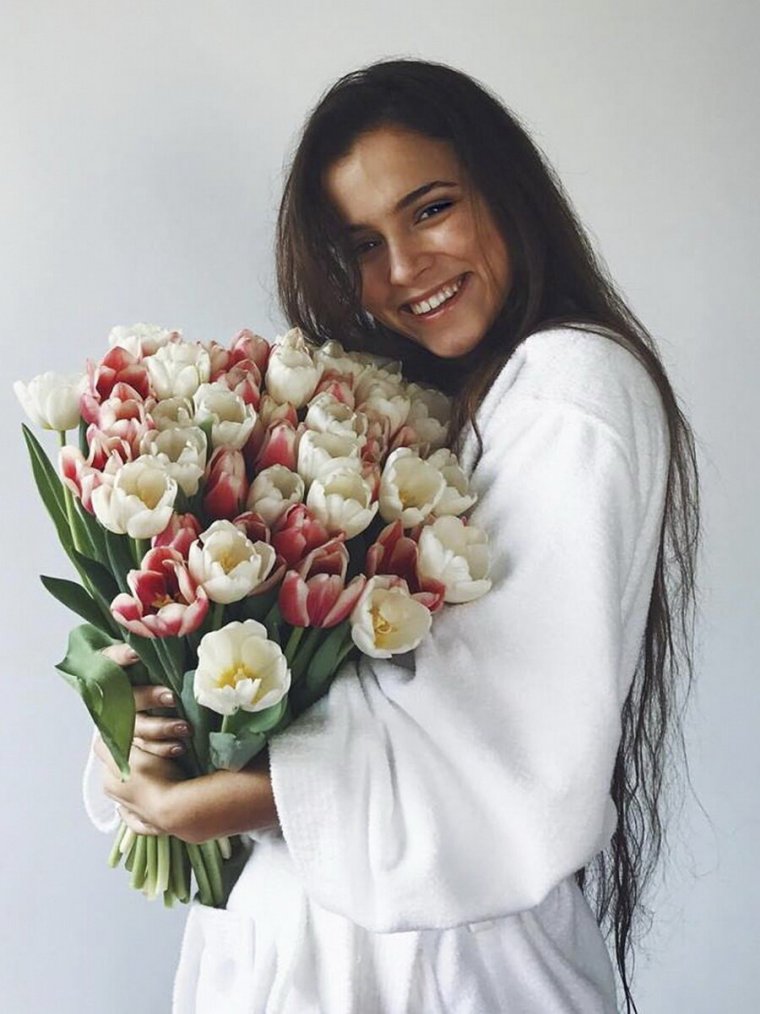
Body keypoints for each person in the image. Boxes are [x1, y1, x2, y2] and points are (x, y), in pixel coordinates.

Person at [87, 58, 701, 1013]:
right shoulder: (422, 403)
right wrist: (158, 718)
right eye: (362, 245)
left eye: (431, 210)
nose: (404, 269)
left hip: (445, 968)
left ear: (505, 188)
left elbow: (513, 737)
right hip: (303, 940)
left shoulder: (569, 388)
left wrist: (240, 793)